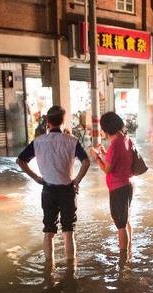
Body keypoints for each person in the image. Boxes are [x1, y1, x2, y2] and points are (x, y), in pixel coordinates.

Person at [17, 105, 91, 264]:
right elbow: (86, 162)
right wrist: (76, 181)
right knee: (68, 231)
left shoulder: (38, 142)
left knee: (48, 231)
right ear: (63, 121)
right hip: (67, 191)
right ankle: (71, 270)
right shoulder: (72, 141)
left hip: (48, 190)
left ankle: (49, 269)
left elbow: (20, 160)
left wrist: (36, 177)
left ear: (48, 122)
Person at [89, 112, 135, 256]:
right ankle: (129, 251)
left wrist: (96, 157)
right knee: (125, 219)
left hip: (118, 188)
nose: (102, 131)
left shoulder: (115, 144)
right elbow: (118, 159)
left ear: (107, 129)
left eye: (102, 128)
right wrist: (104, 153)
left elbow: (107, 169)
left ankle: (123, 259)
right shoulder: (126, 139)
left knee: (120, 225)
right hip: (128, 185)